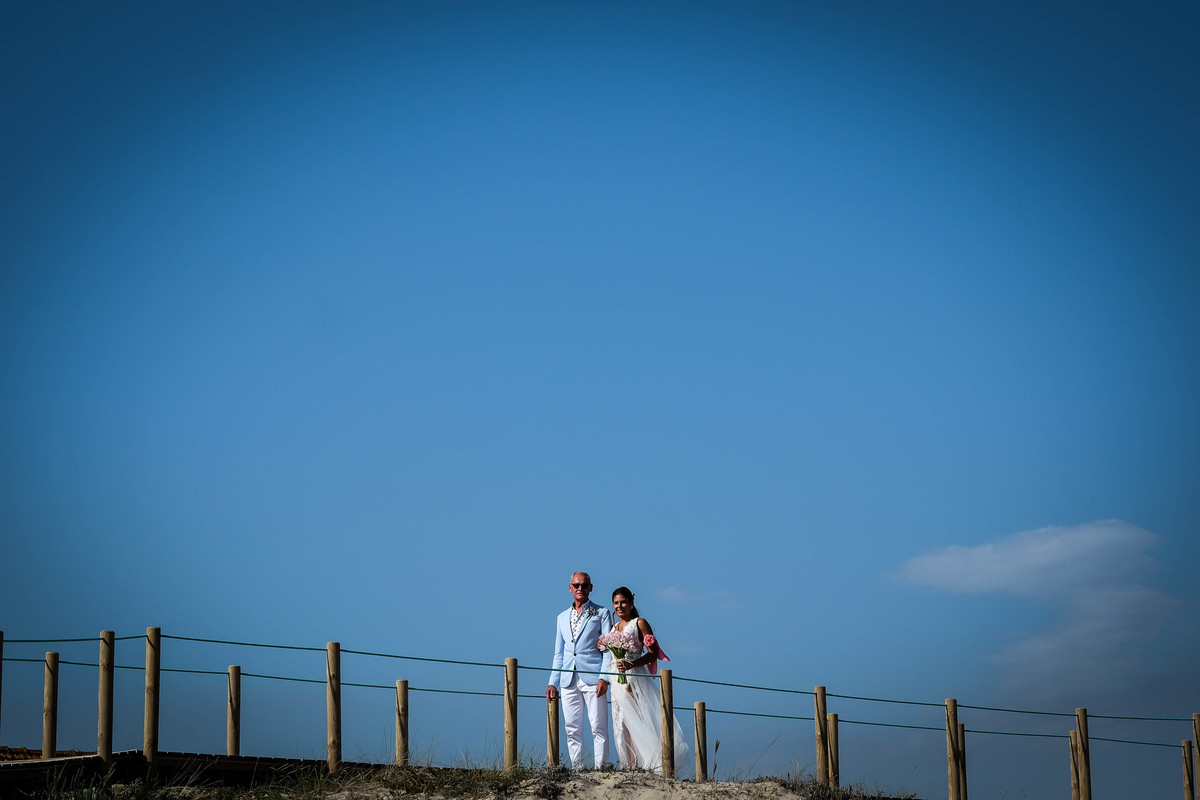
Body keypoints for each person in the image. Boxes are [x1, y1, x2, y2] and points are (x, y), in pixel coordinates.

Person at [609, 586, 689, 775]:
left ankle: (645, 763)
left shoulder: (639, 623)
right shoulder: (613, 627)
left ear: (631, 602)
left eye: (623, 602)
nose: (619, 606)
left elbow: (652, 653)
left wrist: (631, 664)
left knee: (637, 719)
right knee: (622, 722)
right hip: (616, 677)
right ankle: (629, 764)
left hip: (634, 675)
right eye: (616, 603)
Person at [547, 571, 615, 770]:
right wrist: (553, 682)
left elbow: (608, 649)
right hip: (568, 679)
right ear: (570, 588)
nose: (580, 588)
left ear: (590, 588)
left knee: (598, 726)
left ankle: (601, 767)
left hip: (593, 677)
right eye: (576, 585)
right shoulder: (561, 617)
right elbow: (558, 653)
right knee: (572, 728)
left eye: (584, 585)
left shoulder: (601, 613)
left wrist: (604, 678)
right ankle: (578, 769)